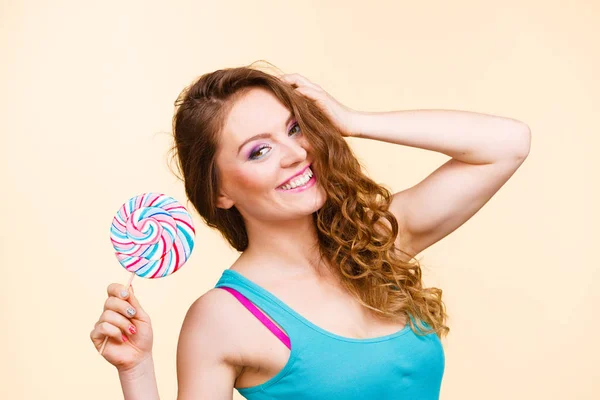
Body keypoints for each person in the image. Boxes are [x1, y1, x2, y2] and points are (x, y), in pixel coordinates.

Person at [90, 63, 531, 399]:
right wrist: (136, 370)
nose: (295, 153)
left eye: (295, 128)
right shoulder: (223, 318)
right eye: (259, 150)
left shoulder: (374, 244)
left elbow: (508, 143)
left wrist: (354, 121)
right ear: (220, 190)